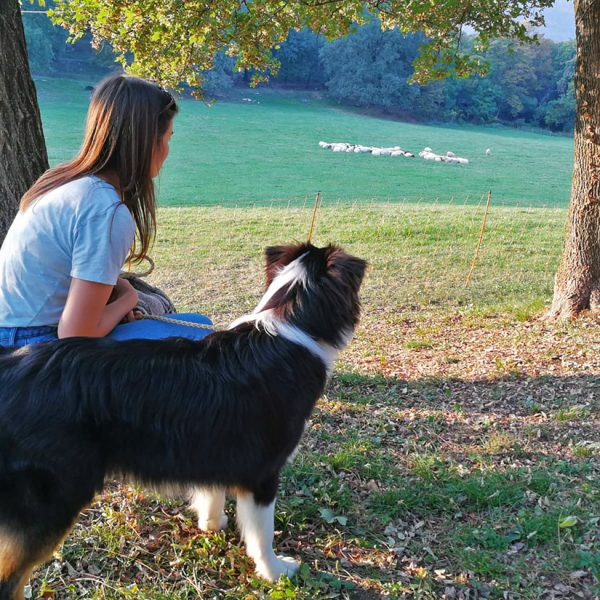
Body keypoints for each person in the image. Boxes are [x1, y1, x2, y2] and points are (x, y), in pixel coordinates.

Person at [0, 74, 177, 348]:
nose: (167, 151)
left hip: (12, 330)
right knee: (194, 335)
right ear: (146, 143)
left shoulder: (62, 183)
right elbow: (75, 333)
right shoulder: (105, 209)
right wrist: (128, 299)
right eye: (168, 138)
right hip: (29, 343)